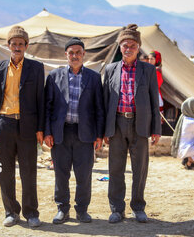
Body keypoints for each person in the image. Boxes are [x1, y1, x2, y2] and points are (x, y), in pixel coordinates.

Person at [0, 26, 45, 228]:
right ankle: (11, 211)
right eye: (14, 43)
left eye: (21, 44)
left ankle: (31, 212)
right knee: (5, 171)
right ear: (8, 45)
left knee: (29, 171)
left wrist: (40, 128)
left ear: (26, 46)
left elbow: (41, 100)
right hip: (3, 124)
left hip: (27, 125)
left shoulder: (36, 68)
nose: (17, 47)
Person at [103, 24, 161, 223]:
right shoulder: (110, 70)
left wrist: (156, 129)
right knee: (115, 169)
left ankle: (138, 207)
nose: (128, 49)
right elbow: (105, 102)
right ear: (120, 47)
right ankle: (117, 209)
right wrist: (105, 130)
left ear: (138, 48)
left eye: (133, 45)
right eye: (125, 45)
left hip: (140, 124)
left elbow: (155, 101)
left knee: (140, 168)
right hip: (117, 123)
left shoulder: (148, 70)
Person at [44, 37, 105, 224]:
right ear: (66, 55)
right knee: (61, 174)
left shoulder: (94, 78)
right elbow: (47, 107)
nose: (75, 55)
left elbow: (99, 109)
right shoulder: (54, 77)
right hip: (61, 133)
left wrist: (99, 135)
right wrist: (47, 132)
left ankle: (82, 210)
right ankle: (62, 209)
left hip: (85, 134)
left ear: (84, 54)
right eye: (71, 52)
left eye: (78, 52)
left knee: (84, 175)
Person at [148, 51, 164, 116]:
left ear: (157, 60)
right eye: (149, 59)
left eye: (152, 59)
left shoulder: (156, 70)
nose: (149, 61)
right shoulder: (151, 69)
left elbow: (156, 84)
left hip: (155, 96)